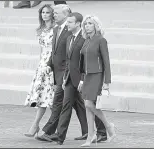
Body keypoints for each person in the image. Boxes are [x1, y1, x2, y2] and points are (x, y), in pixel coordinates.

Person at [46, 12, 108, 145]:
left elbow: (87, 60)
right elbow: (69, 60)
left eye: (70, 22)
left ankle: (102, 131)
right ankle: (60, 136)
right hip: (69, 78)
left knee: (90, 105)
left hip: (84, 78)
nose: (67, 24)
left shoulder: (86, 38)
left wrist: (83, 78)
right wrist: (64, 78)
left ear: (77, 24)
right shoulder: (69, 38)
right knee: (67, 105)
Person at [34, 4, 87, 143]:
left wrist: (76, 75)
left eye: (56, 13)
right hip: (58, 72)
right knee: (78, 103)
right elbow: (55, 50)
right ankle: (93, 130)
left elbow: (73, 55)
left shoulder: (71, 30)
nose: (53, 15)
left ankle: (48, 131)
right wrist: (49, 64)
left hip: (67, 73)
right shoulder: (57, 29)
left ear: (66, 14)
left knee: (59, 102)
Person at [79, 15, 116, 147]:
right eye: (85, 24)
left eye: (90, 23)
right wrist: (82, 80)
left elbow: (106, 61)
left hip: (98, 75)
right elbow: (82, 63)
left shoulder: (101, 40)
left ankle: (108, 125)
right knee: (87, 108)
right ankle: (90, 137)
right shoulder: (86, 40)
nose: (87, 26)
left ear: (96, 25)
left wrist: (107, 81)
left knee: (89, 104)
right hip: (87, 77)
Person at [23, 4, 55, 137]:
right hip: (42, 64)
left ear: (52, 14)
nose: (45, 15)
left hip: (52, 64)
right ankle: (35, 125)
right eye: (43, 12)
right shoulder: (40, 30)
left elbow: (56, 49)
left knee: (52, 99)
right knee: (42, 97)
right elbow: (41, 50)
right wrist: (40, 65)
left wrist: (51, 65)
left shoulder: (56, 29)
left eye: (47, 12)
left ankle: (53, 127)